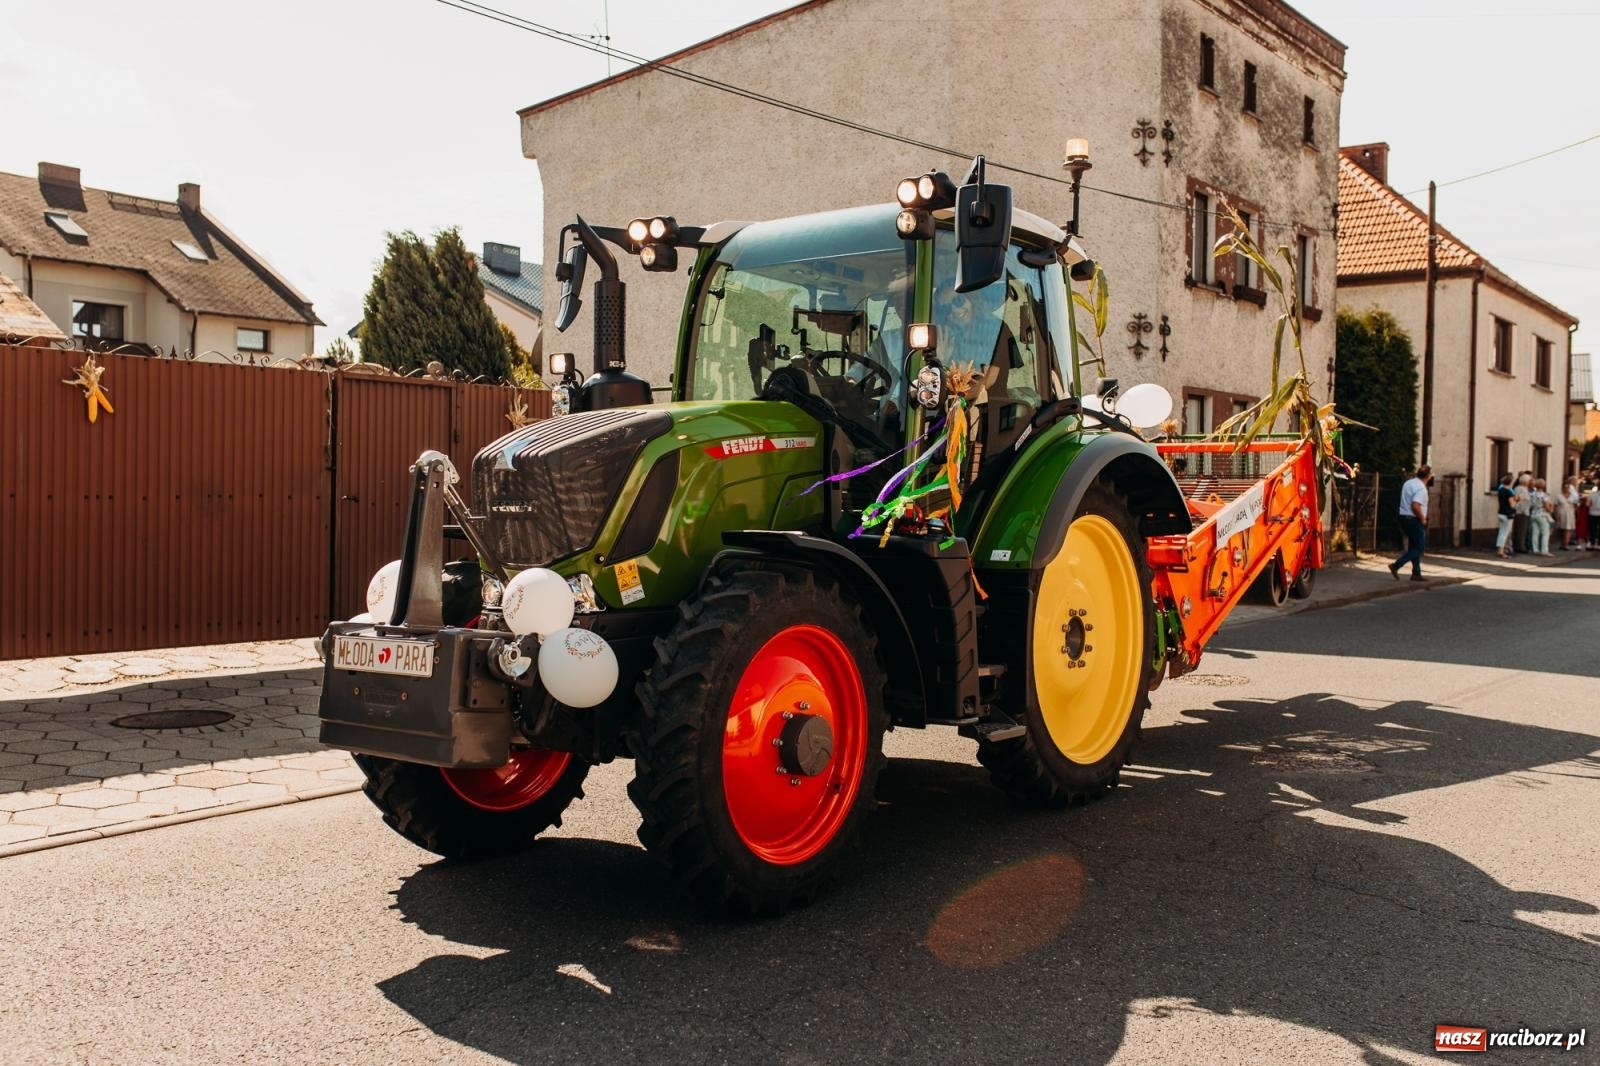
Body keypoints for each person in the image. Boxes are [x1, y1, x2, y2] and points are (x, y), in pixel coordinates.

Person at [1389, 464, 1431, 581]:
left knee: (1414, 545)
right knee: (1419, 547)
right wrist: (1422, 519)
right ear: (1428, 477)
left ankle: (1416, 573)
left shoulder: (1408, 483)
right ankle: (1396, 565)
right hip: (1413, 519)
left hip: (1403, 517)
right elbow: (1415, 505)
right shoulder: (1422, 489)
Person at [1494, 472, 1517, 558]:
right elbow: (1512, 504)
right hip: (1508, 514)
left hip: (1501, 512)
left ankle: (1499, 550)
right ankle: (1501, 551)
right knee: (1505, 533)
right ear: (1511, 482)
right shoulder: (1509, 492)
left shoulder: (1501, 490)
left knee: (1501, 532)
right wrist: (1517, 500)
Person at [1528, 478, 1553, 556]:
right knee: (1545, 532)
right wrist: (1550, 509)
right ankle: (1544, 550)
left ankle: (1535, 549)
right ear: (1544, 486)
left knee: (1535, 533)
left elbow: (1530, 505)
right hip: (1542, 514)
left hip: (1533, 514)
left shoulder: (1532, 494)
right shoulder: (1544, 495)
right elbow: (1546, 506)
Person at [1511, 472, 1533, 555]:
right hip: (1521, 512)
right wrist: (1522, 510)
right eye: (1529, 480)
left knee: (1522, 530)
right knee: (1521, 530)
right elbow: (1520, 500)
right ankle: (1520, 547)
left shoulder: (1521, 488)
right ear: (1526, 481)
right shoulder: (1521, 489)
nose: (1530, 482)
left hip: (1523, 511)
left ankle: (1520, 546)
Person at [1557, 479, 1579, 549]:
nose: (1566, 489)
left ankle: (1566, 544)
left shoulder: (1572, 496)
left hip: (1570, 513)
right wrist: (1556, 515)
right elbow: (1555, 506)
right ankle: (1562, 543)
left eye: (1567, 487)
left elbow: (1576, 505)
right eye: (1565, 487)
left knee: (1568, 529)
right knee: (1561, 529)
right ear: (1562, 488)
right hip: (1561, 513)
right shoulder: (1559, 496)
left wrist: (1576, 513)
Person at [1588, 482, 1600, 549]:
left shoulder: (1592, 494)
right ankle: (1598, 545)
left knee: (1592, 529)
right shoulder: (1592, 494)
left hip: (1592, 513)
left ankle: (1592, 544)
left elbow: (1588, 504)